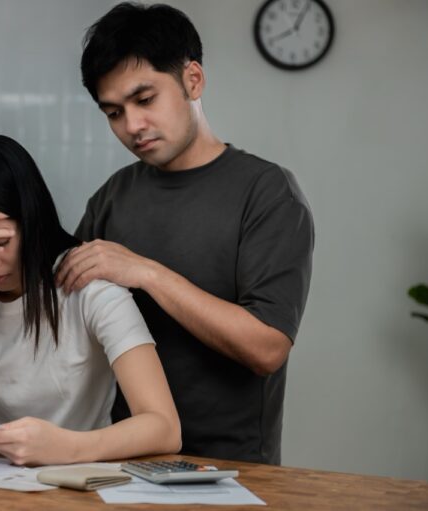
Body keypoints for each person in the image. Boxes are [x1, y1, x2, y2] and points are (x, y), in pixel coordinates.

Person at [56, 2, 314, 465]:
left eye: (145, 99)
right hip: (124, 462)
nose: (132, 126)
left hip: (232, 472)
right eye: (113, 112)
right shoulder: (114, 195)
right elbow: (60, 305)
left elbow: (267, 346)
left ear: (192, 79)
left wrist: (147, 274)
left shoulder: (268, 192)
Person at [0, 134, 180, 466]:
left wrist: (69, 448)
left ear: (31, 219)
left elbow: (165, 428)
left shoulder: (90, 290)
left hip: (79, 479)